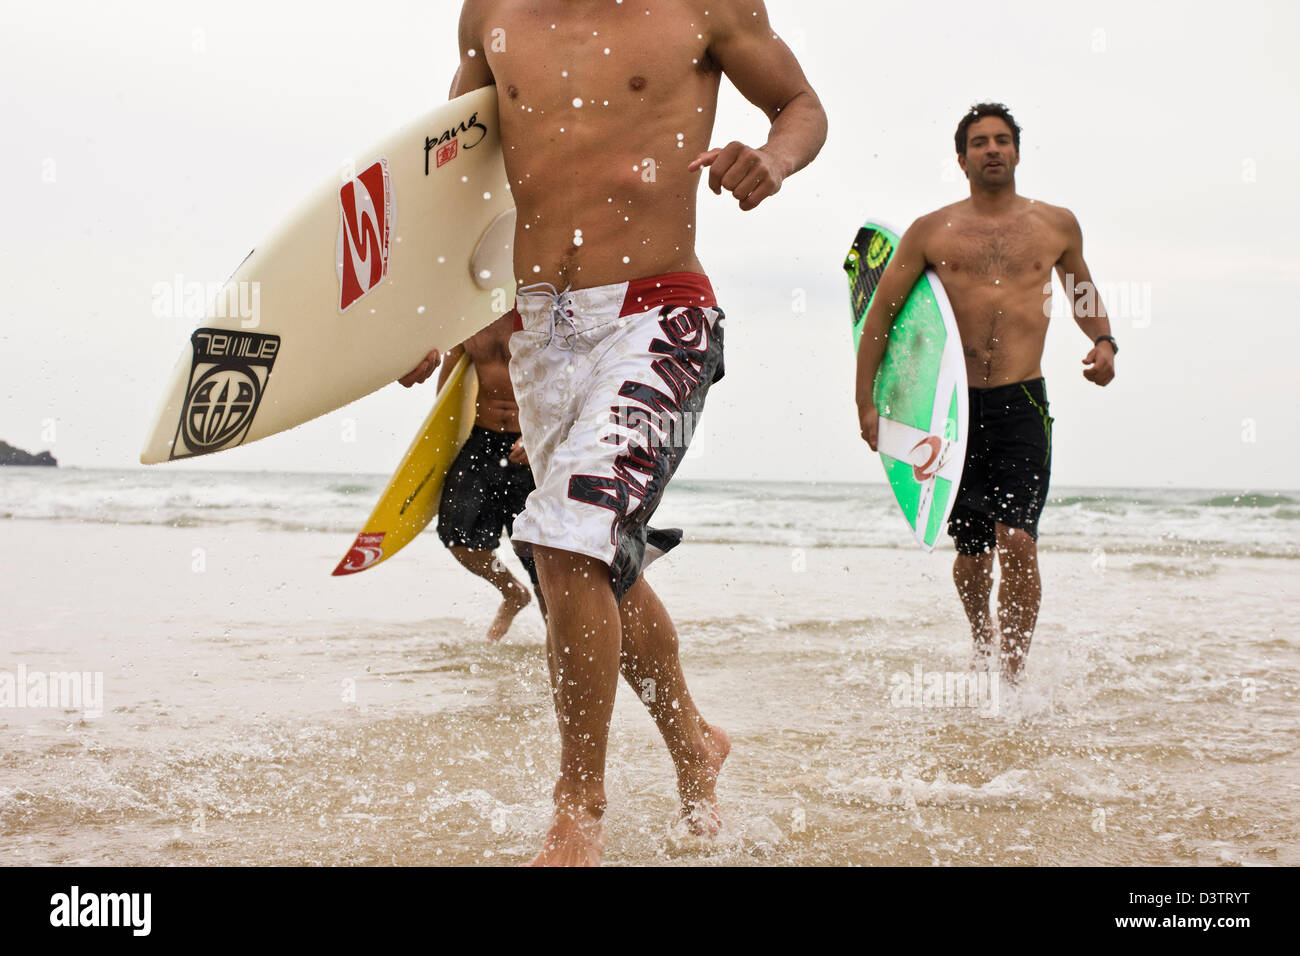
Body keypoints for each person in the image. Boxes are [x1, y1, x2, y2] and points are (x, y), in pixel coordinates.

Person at [406, 0, 826, 865]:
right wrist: (428, 313)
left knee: (567, 544)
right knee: (594, 561)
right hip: (535, 329)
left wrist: (773, 160)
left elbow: (801, 105)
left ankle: (578, 812)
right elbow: (458, 172)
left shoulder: (703, 6)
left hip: (656, 311)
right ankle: (695, 744)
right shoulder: (488, 12)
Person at [855, 103, 1117, 684]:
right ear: (961, 157)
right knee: (972, 551)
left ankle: (1014, 673)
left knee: (1018, 537)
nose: (992, 149)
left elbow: (1080, 289)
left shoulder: (1056, 225)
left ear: (1018, 152)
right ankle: (983, 641)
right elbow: (881, 316)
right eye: (980, 142)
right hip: (951, 411)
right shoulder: (931, 231)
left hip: (1022, 403)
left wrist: (1103, 340)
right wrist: (866, 401)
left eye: (1002, 140)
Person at [408, 313, 543, 644]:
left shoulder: (538, 312)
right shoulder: (468, 317)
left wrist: (539, 434)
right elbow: (448, 387)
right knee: (458, 536)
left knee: (541, 557)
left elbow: (562, 378)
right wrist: (441, 445)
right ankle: (512, 592)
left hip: (531, 443)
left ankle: (561, 645)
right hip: (481, 440)